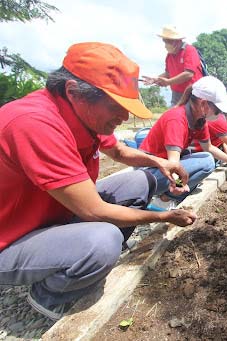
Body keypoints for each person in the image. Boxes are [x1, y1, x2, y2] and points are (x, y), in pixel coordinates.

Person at [0, 42, 197, 321]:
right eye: (116, 105)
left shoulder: (80, 114)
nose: (124, 116)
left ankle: (80, 257)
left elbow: (117, 151)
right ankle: (50, 295)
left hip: (54, 215)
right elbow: (93, 211)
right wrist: (164, 216)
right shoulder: (35, 123)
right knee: (103, 241)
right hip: (11, 237)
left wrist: (160, 161)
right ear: (73, 92)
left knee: (139, 182)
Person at [140, 76, 227, 210]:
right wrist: (178, 184)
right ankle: (162, 201)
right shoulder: (177, 118)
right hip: (148, 171)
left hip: (164, 166)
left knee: (207, 159)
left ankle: (167, 196)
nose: (219, 115)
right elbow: (173, 163)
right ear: (203, 104)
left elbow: (208, 147)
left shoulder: (199, 120)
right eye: (218, 110)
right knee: (206, 163)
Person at [142, 26, 203, 106]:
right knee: (174, 115)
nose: (165, 45)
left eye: (167, 41)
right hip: (176, 94)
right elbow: (168, 73)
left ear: (176, 41)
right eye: (164, 41)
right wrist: (155, 79)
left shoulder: (189, 50)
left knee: (190, 117)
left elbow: (189, 74)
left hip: (193, 94)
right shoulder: (169, 56)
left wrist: (169, 82)